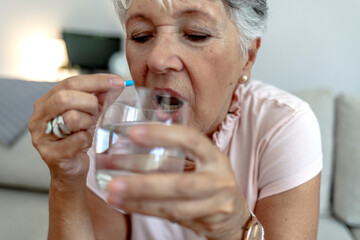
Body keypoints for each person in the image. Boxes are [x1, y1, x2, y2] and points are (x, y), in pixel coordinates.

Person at [28, 0, 323, 239]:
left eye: (196, 34)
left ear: (247, 56)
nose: (157, 59)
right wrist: (66, 180)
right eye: (141, 35)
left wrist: (235, 230)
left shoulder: (283, 125)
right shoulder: (111, 122)